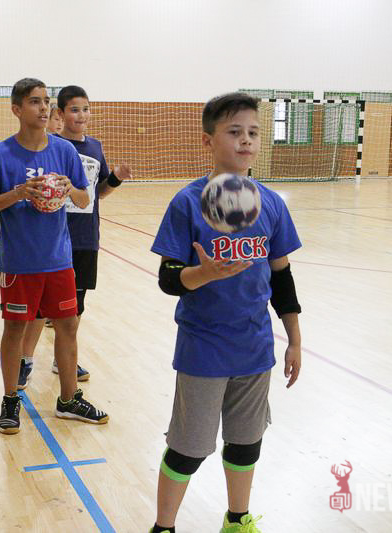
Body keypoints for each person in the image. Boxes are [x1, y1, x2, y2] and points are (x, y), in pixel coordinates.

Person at [148, 92, 302, 533]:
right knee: (189, 450)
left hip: (255, 347)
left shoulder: (271, 203)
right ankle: (164, 527)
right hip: (204, 348)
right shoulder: (187, 202)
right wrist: (204, 273)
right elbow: (168, 278)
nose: (246, 141)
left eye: (253, 132)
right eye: (234, 132)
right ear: (208, 140)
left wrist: (294, 339)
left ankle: (237, 520)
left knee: (246, 443)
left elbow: (282, 278)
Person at [0, 77, 109, 435]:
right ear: (17, 109)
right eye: (35, 101)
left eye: (46, 100)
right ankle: (10, 399)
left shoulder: (64, 151)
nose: (44, 107)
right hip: (19, 261)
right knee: (15, 329)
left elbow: (84, 198)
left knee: (68, 325)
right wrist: (18, 193)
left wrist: (69, 188)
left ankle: (68, 399)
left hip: (59, 258)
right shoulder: (1, 154)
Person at [17, 85, 131, 391]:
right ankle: (25, 360)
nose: (82, 115)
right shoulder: (52, 147)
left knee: (75, 306)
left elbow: (98, 192)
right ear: (61, 113)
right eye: (74, 110)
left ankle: (63, 359)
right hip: (54, 239)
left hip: (85, 237)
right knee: (42, 308)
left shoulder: (95, 147)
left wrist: (116, 178)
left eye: (86, 109)